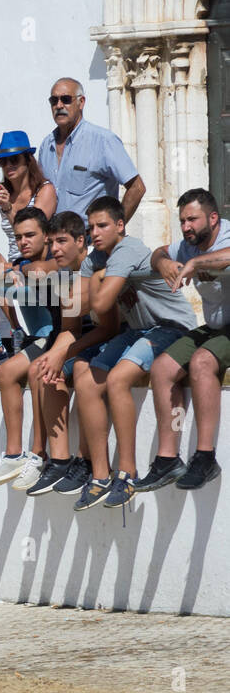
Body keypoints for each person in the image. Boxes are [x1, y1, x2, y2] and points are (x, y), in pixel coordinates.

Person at [63, 197, 197, 510]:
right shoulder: (95, 257)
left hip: (171, 327)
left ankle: (127, 473)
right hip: (138, 331)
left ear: (120, 225)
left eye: (103, 225)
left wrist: (96, 279)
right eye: (91, 226)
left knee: (119, 379)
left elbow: (97, 303)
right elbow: (73, 305)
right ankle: (99, 475)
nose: (95, 233)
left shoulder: (128, 249)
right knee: (86, 380)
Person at [139, 188, 230, 492]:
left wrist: (199, 263)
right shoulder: (189, 244)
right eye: (182, 221)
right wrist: (164, 262)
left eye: (192, 219)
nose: (186, 226)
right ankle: (168, 459)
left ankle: (205, 457)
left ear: (213, 218)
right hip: (215, 326)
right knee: (162, 368)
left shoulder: (226, 236)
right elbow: (157, 253)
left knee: (202, 362)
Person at [0, 207, 63, 490]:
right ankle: (13, 454)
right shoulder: (19, 264)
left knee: (35, 373)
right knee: (5, 372)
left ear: (47, 237)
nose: (23, 241)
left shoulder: (55, 261)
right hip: (38, 338)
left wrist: (17, 275)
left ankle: (38, 454)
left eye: (30, 235)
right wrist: (9, 275)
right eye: (18, 237)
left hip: (60, 336)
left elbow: (41, 276)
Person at [0, 130, 59, 373]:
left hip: (39, 268)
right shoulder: (0, 191)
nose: (8, 166)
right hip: (14, 270)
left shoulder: (45, 191)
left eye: (14, 159)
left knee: (45, 337)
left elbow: (33, 229)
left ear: (28, 160)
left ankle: (21, 341)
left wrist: (8, 208)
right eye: (3, 161)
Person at [24, 211, 94, 497]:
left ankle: (86, 462)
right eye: (52, 242)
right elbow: (70, 327)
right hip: (85, 339)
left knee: (85, 374)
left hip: (116, 338)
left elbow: (112, 328)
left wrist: (61, 353)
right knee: (45, 371)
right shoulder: (65, 275)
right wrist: (54, 356)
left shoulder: (96, 267)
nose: (55, 249)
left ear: (80, 241)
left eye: (62, 241)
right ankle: (59, 460)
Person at [39, 77, 145, 220]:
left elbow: (137, 188)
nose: (59, 105)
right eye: (54, 100)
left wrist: (115, 229)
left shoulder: (103, 141)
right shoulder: (46, 146)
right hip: (55, 239)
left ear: (81, 102)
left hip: (90, 238)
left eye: (65, 99)